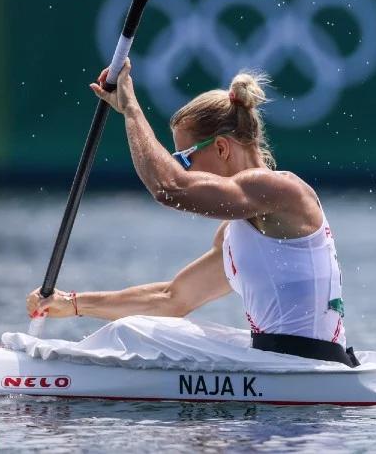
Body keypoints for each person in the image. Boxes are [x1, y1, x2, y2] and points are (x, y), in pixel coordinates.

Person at [27, 59, 357, 366]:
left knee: (131, 335)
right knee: (140, 328)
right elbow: (172, 299)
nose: (181, 166)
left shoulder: (278, 189)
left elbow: (170, 187)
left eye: (184, 158)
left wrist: (131, 109)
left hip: (308, 369)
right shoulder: (236, 231)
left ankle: (54, 371)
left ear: (222, 147)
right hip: (283, 361)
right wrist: (71, 303)